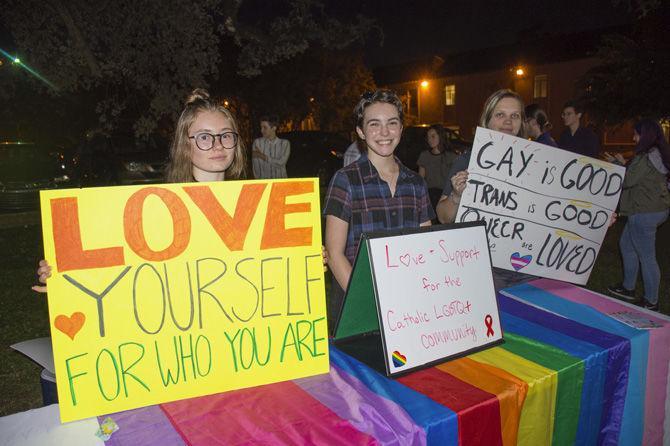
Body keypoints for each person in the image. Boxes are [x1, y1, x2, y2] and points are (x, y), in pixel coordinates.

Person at [34, 89, 327, 291]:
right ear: (184, 145)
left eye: (226, 135)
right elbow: (132, 278)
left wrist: (304, 262)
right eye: (204, 137)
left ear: (236, 143)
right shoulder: (156, 210)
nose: (217, 144)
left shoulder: (264, 208)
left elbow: (266, 275)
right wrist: (69, 280)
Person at [324, 89, 434, 325]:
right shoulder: (345, 180)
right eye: (374, 124)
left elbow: (426, 250)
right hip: (358, 309)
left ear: (401, 129)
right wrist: (371, 303)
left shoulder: (416, 183)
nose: (384, 132)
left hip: (409, 306)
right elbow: (334, 254)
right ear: (361, 132)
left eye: (392, 123)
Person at [436, 89, 526, 225]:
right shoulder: (468, 161)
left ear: (521, 123)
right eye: (500, 115)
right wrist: (457, 195)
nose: (508, 121)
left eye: (515, 116)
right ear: (487, 120)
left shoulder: (534, 166)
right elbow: (443, 218)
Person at [607, 119, 670, 311]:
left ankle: (651, 301)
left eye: (636, 134)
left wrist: (618, 164)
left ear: (646, 135)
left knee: (646, 256)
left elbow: (628, 180)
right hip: (650, 209)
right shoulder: (655, 153)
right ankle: (628, 287)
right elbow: (637, 177)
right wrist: (622, 163)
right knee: (626, 245)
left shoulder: (647, 156)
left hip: (644, 212)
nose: (633, 138)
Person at [417, 124, 457, 212]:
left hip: (445, 195)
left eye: (433, 136)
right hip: (430, 195)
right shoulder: (425, 156)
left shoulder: (451, 156)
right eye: (428, 137)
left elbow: (455, 179)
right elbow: (420, 179)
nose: (430, 140)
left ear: (441, 136)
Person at [251, 115, 290, 179]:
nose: (262, 130)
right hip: (264, 183)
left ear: (274, 128)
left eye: (265, 127)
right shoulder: (257, 143)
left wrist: (262, 156)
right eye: (261, 127)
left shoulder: (284, 143)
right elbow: (256, 167)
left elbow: (281, 163)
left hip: (280, 183)